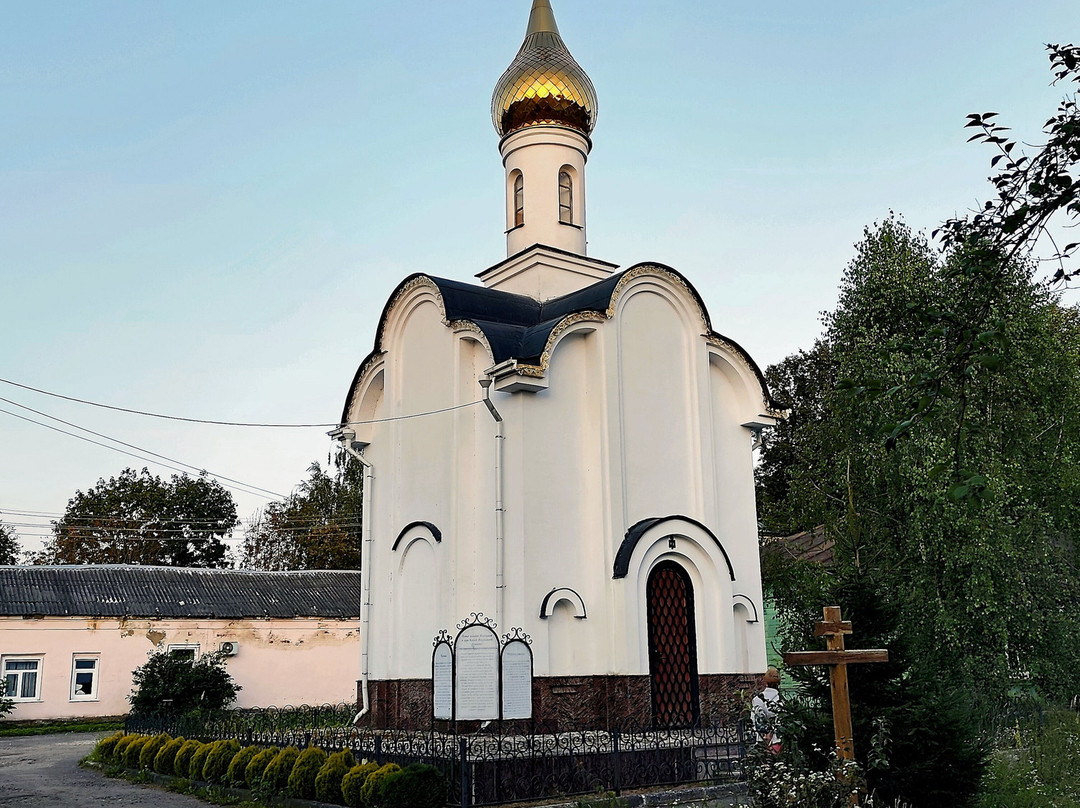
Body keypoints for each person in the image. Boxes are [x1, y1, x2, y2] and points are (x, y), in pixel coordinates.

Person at [751, 667, 783, 753]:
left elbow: (757, 721)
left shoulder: (757, 699)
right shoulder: (782, 700)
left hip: (763, 742)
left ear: (765, 682)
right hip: (779, 742)